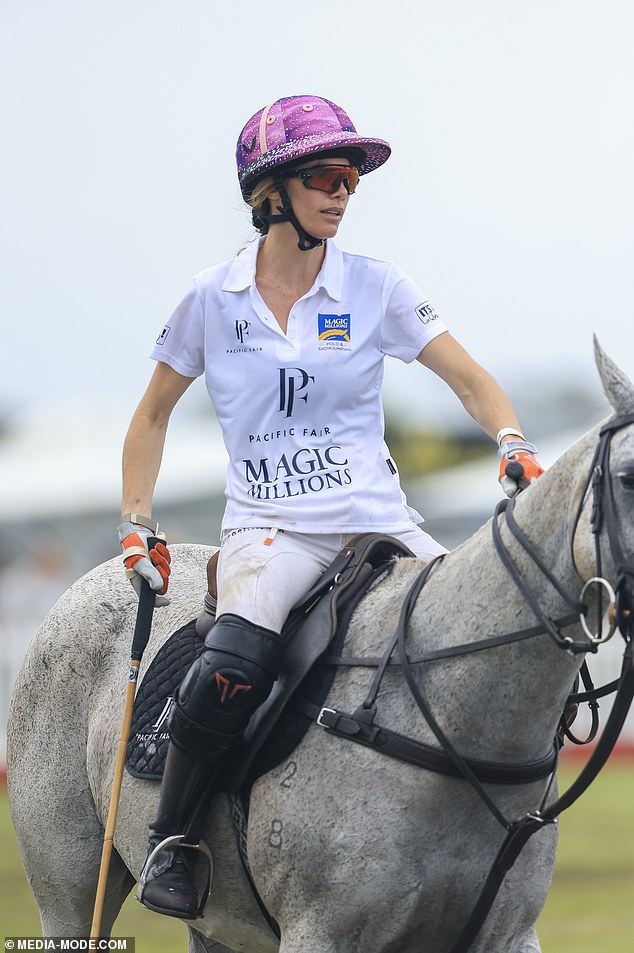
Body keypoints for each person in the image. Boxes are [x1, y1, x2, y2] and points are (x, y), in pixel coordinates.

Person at [119, 94, 544, 919]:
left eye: (351, 180)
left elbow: (470, 378)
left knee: (494, 625)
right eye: (325, 176)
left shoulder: (377, 285)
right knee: (235, 662)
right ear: (270, 191)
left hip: (378, 521)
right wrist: (137, 522)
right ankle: (173, 836)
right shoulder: (211, 299)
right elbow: (151, 416)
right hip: (270, 533)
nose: (343, 193)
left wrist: (510, 438)